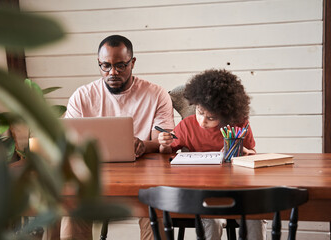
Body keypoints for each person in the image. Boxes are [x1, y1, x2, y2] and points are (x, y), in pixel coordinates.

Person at [55, 35, 175, 240]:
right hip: (93, 176)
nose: (112, 72)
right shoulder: (82, 96)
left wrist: (144, 145)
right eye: (105, 66)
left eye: (121, 66)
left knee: (156, 211)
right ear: (99, 64)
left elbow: (163, 142)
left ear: (133, 63)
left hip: (146, 178)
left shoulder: (156, 94)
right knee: (71, 207)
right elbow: (70, 141)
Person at [158, 69, 267, 240]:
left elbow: (252, 153)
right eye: (200, 112)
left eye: (211, 117)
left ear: (226, 115)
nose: (202, 121)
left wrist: (245, 152)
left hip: (236, 189)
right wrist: (163, 144)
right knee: (211, 221)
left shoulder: (238, 125)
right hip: (203, 192)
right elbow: (167, 153)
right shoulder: (187, 126)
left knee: (255, 218)